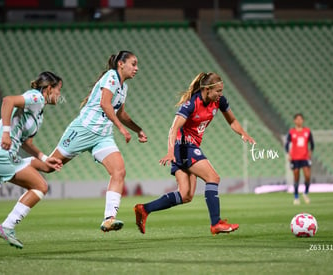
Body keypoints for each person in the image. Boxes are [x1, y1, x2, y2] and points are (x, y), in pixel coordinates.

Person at [32, 51, 147, 232]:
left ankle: (109, 218)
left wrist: (137, 129)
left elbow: (120, 113)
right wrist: (121, 129)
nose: (136, 68)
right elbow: (105, 104)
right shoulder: (111, 77)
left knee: (119, 171)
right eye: (133, 64)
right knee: (48, 167)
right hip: (84, 130)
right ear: (121, 64)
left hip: (103, 136)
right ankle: (16, 163)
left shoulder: (124, 88)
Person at [134, 72, 255, 235]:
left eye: (221, 91)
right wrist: (170, 152)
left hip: (189, 146)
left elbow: (232, 121)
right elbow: (174, 128)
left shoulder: (219, 102)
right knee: (213, 178)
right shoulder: (191, 103)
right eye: (218, 91)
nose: (221, 94)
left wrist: (243, 133)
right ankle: (216, 223)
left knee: (186, 195)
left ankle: (144, 209)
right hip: (183, 146)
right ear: (207, 90)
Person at [0, 72, 63, 249]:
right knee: (40, 186)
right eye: (58, 90)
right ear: (48, 89)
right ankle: (7, 227)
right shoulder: (36, 97)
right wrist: (6, 132)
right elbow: (8, 100)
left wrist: (46, 158)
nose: (59, 95)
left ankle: (6, 227)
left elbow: (27, 143)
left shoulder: (39, 115)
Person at [285, 113, 314, 205]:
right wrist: (288, 154)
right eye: (297, 119)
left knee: (307, 176)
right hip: (295, 157)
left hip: (305, 157)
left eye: (300, 119)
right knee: (296, 177)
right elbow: (287, 144)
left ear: (303, 120)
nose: (299, 121)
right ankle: (296, 196)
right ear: (294, 121)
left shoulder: (307, 131)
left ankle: (305, 193)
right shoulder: (291, 132)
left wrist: (310, 151)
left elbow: (312, 143)